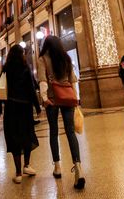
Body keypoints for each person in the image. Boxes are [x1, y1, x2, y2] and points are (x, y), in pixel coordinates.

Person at [37, 35, 85, 189]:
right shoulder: (66, 58)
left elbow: (43, 80)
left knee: (53, 132)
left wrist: (44, 98)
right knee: (70, 132)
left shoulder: (43, 59)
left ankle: (57, 166)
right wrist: (75, 98)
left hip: (52, 99)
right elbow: (73, 80)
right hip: (68, 97)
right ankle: (78, 166)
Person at [0, 44, 41, 184]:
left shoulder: (6, 69)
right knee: (27, 135)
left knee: (14, 137)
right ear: (21, 55)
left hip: (11, 108)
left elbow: (0, 88)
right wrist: (37, 107)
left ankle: (18, 173)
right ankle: (27, 165)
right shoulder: (25, 68)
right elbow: (31, 89)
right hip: (25, 108)